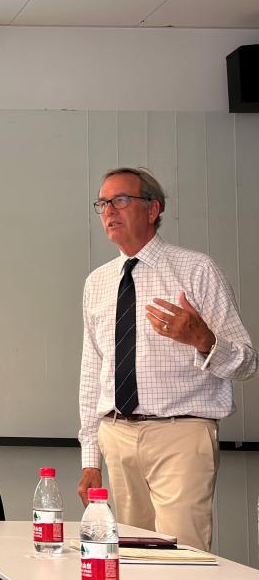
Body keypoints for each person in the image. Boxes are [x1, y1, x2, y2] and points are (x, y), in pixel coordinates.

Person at [78, 167, 256, 551]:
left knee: (183, 557)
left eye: (120, 200)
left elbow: (247, 362)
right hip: (117, 436)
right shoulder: (98, 282)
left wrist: (203, 339)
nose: (109, 211)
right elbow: (92, 373)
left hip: (181, 434)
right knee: (130, 555)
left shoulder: (196, 270)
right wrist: (90, 458)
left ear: (152, 208)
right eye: (102, 203)